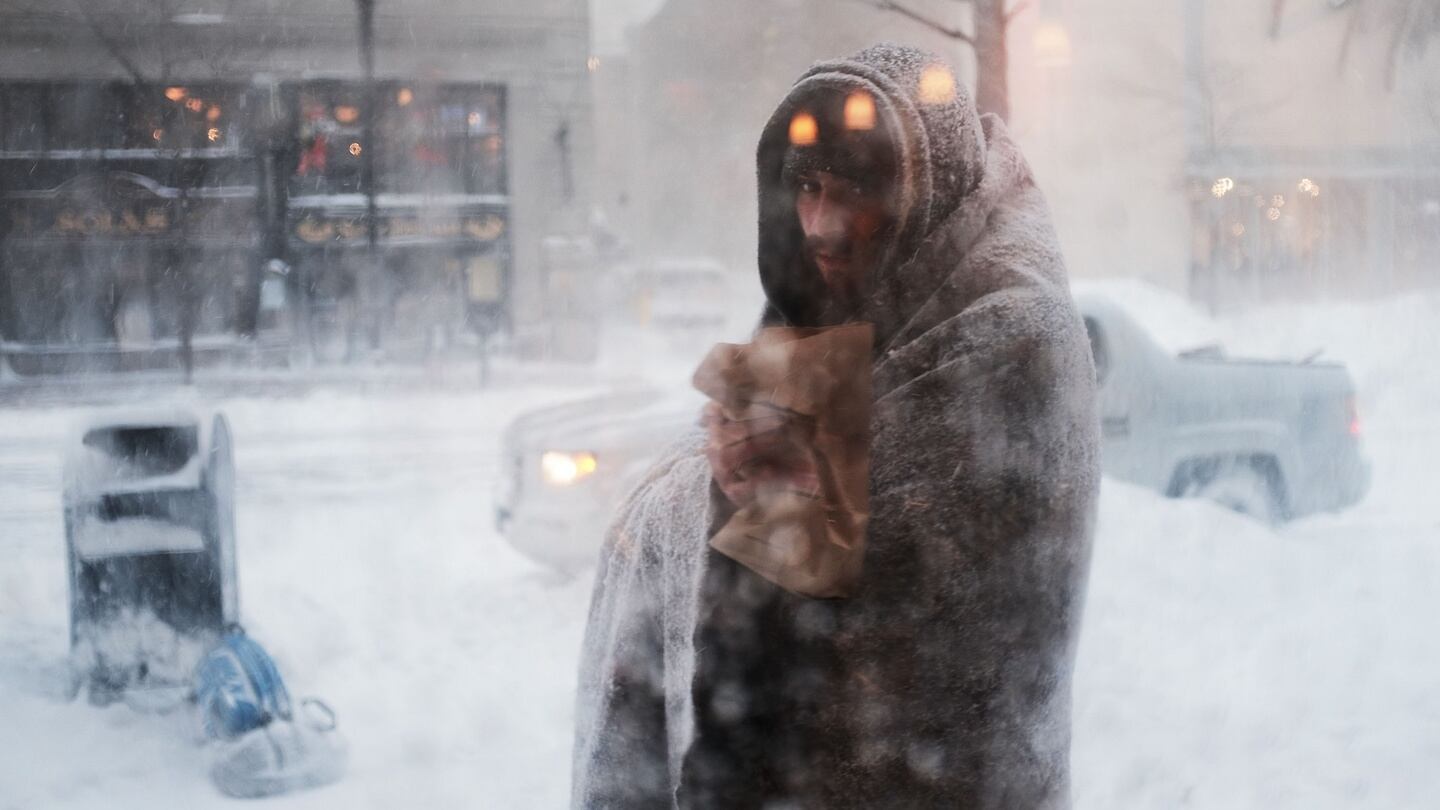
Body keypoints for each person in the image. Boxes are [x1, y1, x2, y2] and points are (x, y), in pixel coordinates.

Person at [573, 43, 1100, 809]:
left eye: (853, 192)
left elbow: (874, 585)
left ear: (922, 189)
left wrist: (730, 482)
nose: (819, 225)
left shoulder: (1010, 335)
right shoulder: (852, 305)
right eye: (808, 189)